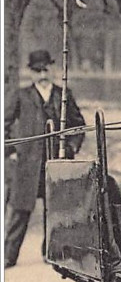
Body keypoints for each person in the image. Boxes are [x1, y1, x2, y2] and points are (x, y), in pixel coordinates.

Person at [4, 49, 85, 267]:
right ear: (30, 72)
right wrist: (10, 151)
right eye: (37, 70)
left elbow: (78, 125)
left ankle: (51, 253)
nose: (42, 74)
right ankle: (8, 256)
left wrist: (71, 147)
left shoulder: (63, 94)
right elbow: (5, 124)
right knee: (20, 211)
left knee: (56, 210)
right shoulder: (21, 95)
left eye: (45, 69)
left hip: (54, 161)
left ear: (52, 69)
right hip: (27, 164)